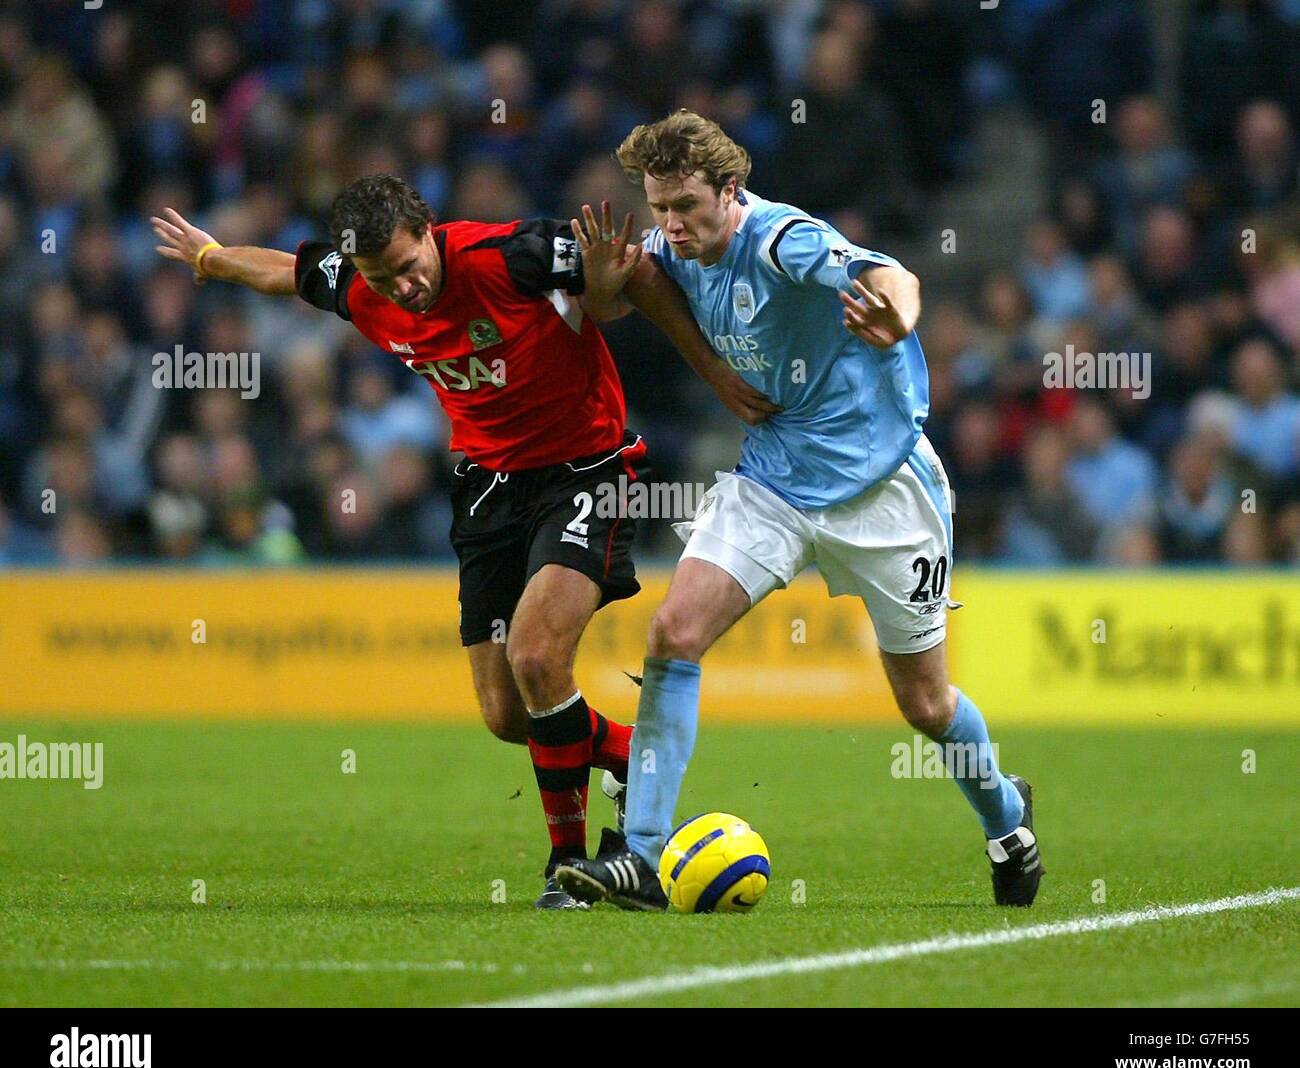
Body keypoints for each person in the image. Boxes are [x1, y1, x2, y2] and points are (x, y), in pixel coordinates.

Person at [151, 173, 766, 908]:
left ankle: (567, 866)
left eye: (411, 266)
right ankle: (635, 753)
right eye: (384, 278)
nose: (404, 289)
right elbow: (288, 270)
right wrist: (212, 257)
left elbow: (636, 275)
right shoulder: (364, 286)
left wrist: (692, 354)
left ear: (430, 231)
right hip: (487, 488)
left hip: (586, 470)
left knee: (537, 655)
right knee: (508, 714)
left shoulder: (512, 255)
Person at [557, 111, 1043, 910]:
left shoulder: (783, 240)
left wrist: (898, 316)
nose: (672, 225)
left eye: (686, 206)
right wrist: (622, 294)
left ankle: (1008, 819)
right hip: (774, 481)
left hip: (884, 491)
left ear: (731, 190)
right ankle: (640, 856)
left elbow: (892, 274)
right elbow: (623, 297)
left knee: (925, 704)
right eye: (659, 208)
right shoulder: (669, 249)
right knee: (674, 632)